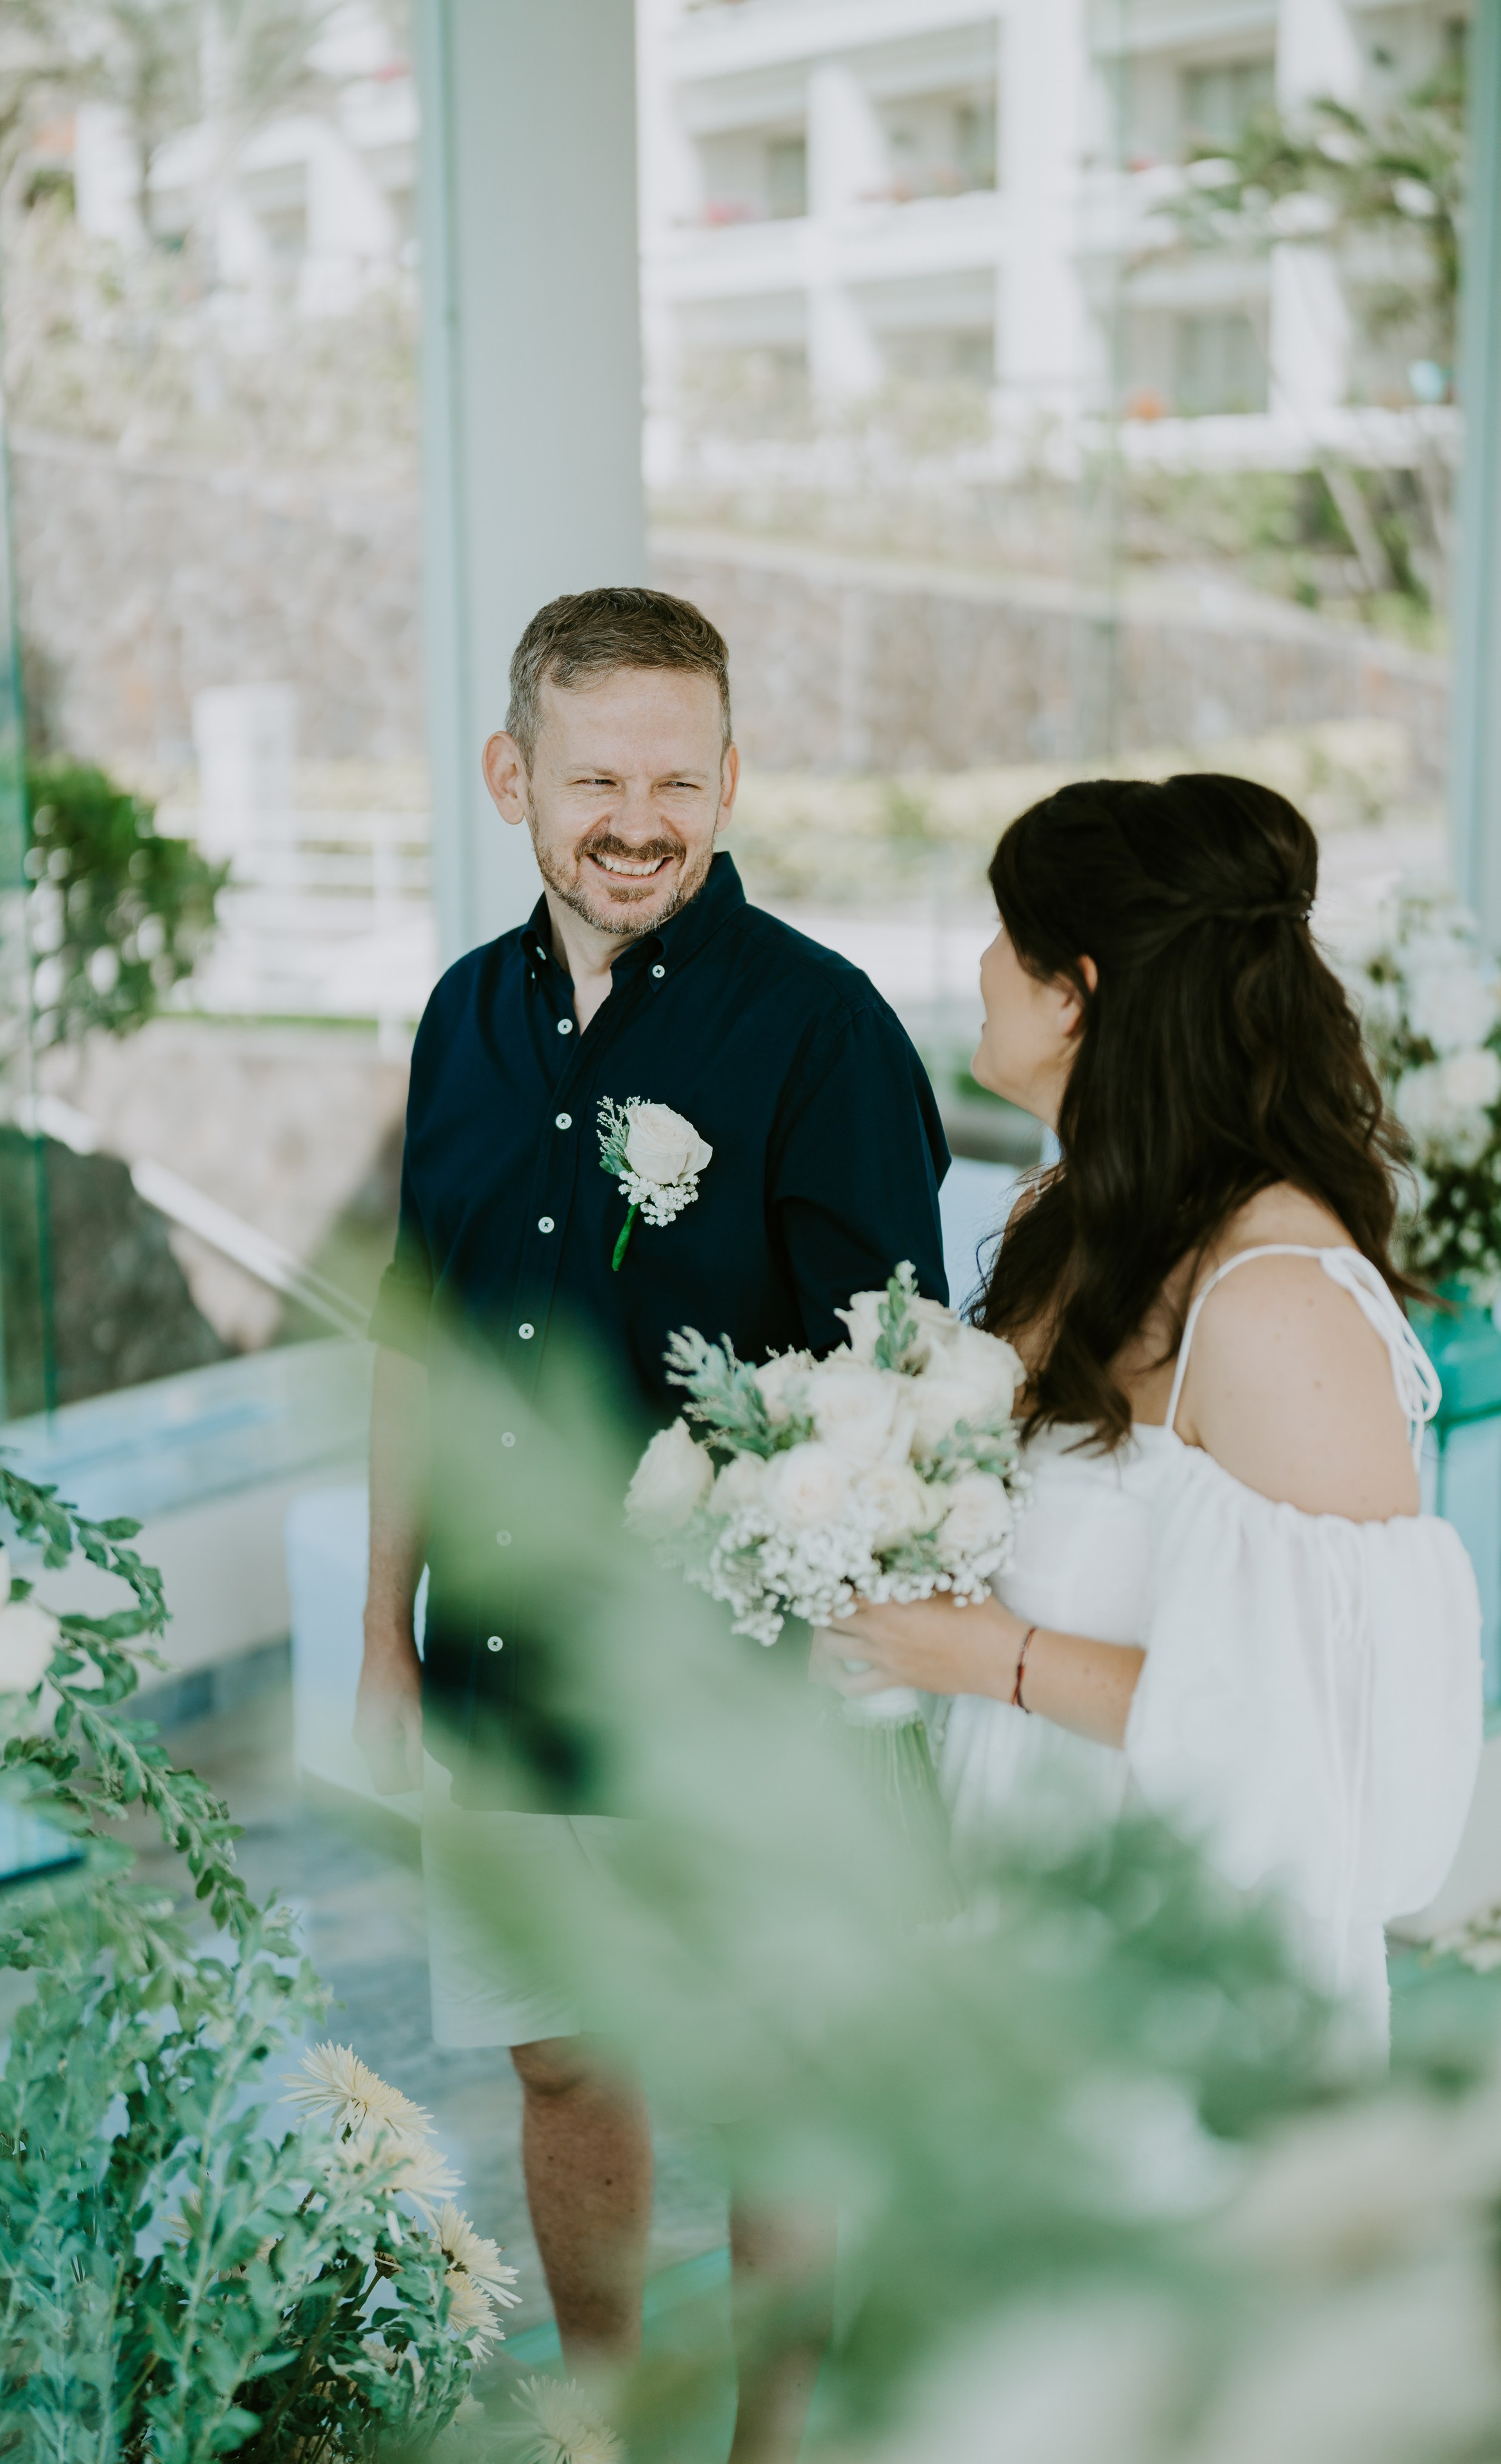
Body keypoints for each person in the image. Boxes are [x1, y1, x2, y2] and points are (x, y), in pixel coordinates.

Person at [354, 586, 950, 2455]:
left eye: (676, 778)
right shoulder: (464, 1013)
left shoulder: (824, 1032)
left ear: (731, 778)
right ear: (509, 776)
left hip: (739, 1678)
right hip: (506, 1670)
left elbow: (895, 1383)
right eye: (594, 774)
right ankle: (605, 2419)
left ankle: (778, 2433)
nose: (637, 817)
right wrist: (384, 1628)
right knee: (559, 2058)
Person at [815, 772, 1483, 2051]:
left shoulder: (1273, 1301)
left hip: (1187, 1985)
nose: (975, 966)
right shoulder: (1052, 1220)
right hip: (1000, 1899)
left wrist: (980, 1658)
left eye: (999, 938)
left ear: (1075, 992)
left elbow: (1326, 1731)